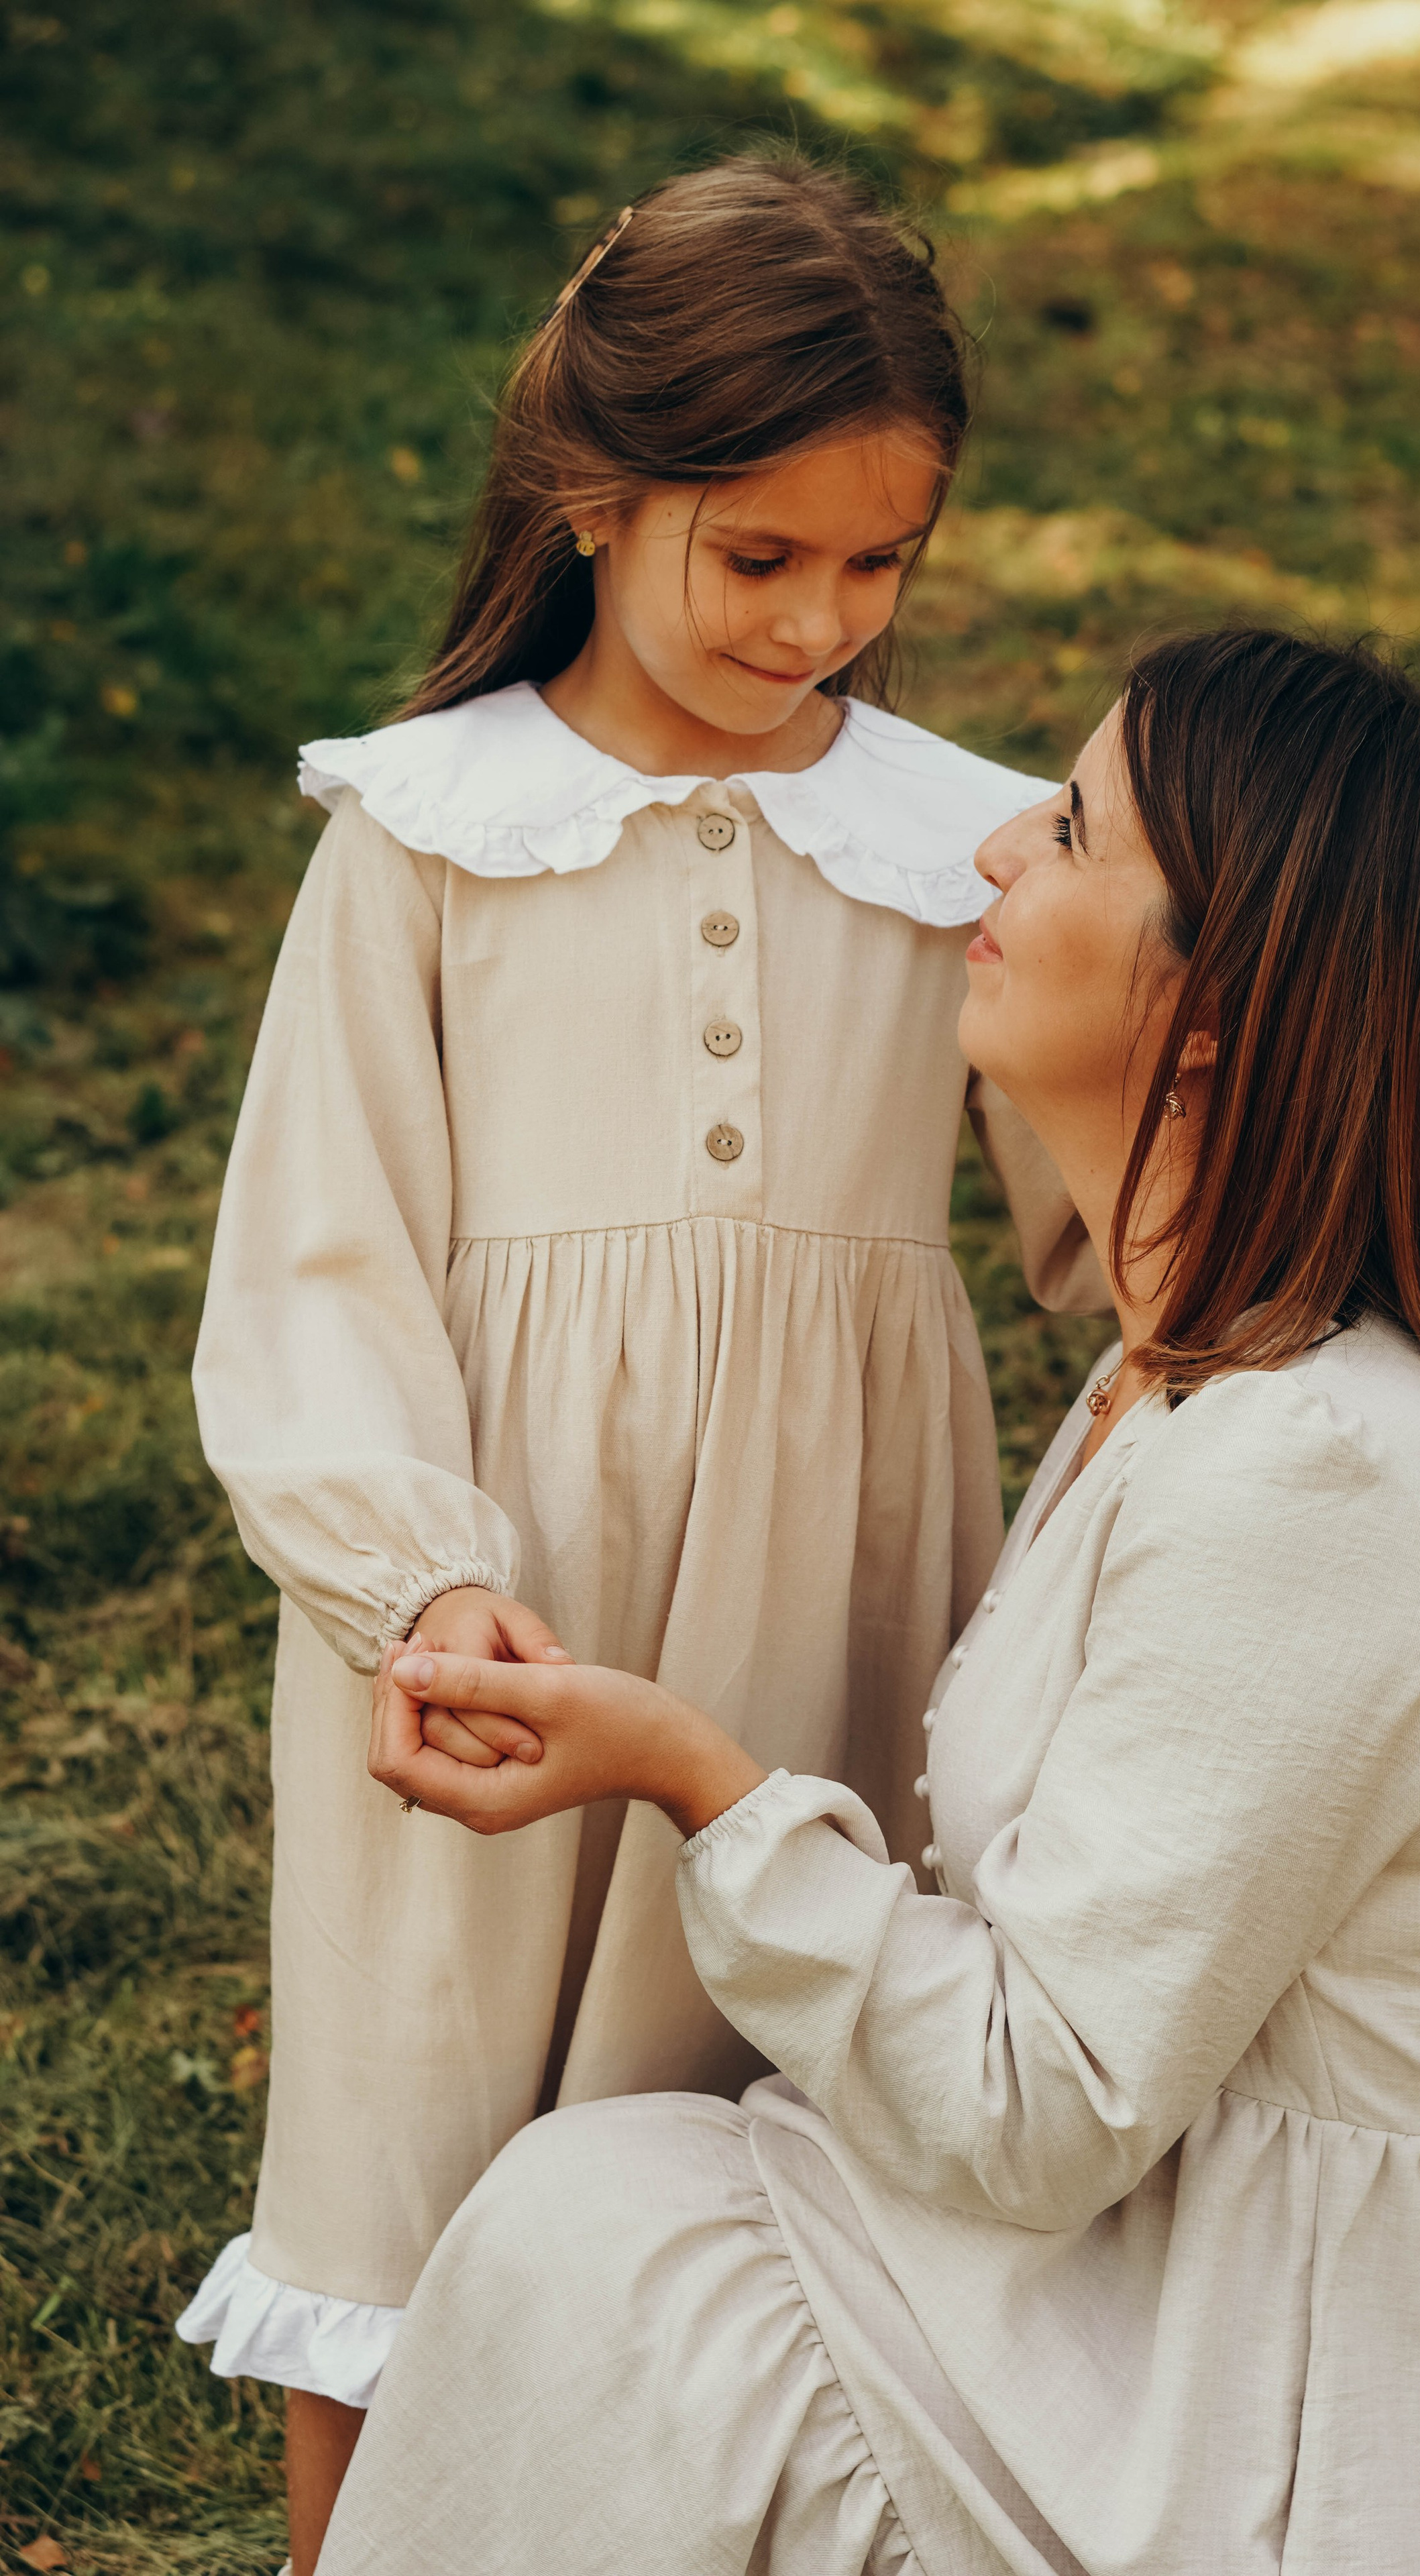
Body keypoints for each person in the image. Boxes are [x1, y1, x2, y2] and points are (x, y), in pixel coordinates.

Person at [322, 629, 1420, 2576]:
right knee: (616, 2221)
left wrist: (698, 1780)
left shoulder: (1313, 1476)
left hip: (1357, 2409)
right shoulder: (1188, 1373)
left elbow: (1037, 2106)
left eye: (1070, 832)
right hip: (1208, 2262)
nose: (993, 859)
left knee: (618, 2266)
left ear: (1213, 1003)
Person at [174, 153, 1100, 2573]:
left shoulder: (964, 854)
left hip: (842, 1599)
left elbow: (1112, 1225)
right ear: (594, 498)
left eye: (879, 564)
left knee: (770, 2124)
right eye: (760, 557)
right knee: (417, 2157)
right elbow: (319, 1263)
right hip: (503, 1618)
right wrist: (417, 1582)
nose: (822, 623)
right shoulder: (430, 833)